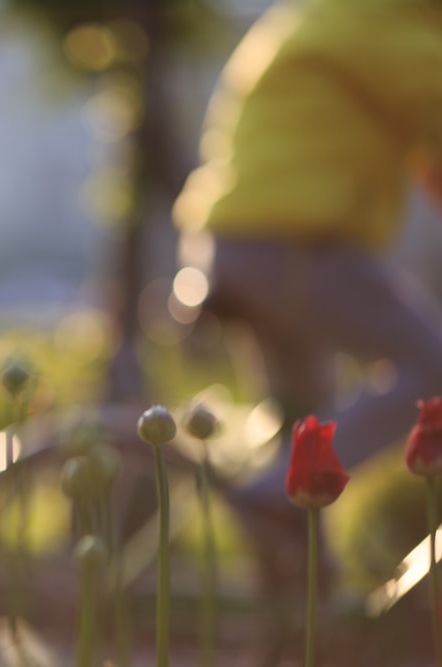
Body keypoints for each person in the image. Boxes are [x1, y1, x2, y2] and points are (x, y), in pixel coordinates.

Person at [171, 0, 442, 615]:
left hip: (240, 242)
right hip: (294, 243)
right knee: (434, 366)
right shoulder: (392, 27)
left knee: (306, 423)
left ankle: (301, 617)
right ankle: (276, 494)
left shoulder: (329, 16)